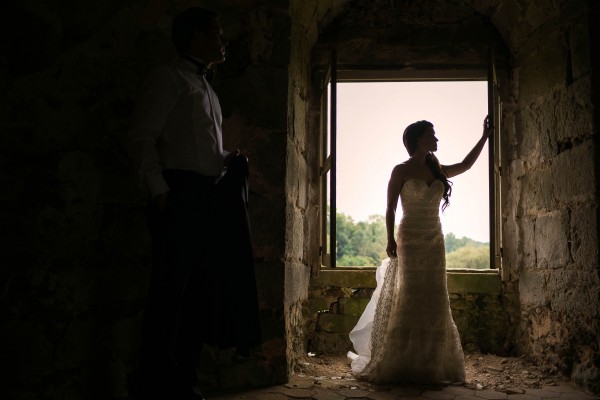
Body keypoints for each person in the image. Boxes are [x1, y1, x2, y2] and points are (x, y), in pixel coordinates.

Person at [128, 7, 261, 399]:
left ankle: (183, 382)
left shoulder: (208, 89)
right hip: (179, 194)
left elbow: (201, 150)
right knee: (170, 293)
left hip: (207, 195)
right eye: (217, 33)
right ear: (197, 37)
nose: (224, 41)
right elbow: (141, 137)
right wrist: (159, 191)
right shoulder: (168, 79)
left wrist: (226, 159)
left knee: (199, 294)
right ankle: (156, 386)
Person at [347, 116, 493, 384]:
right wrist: (390, 240)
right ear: (419, 140)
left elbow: (465, 165)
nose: (437, 139)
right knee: (411, 295)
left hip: (434, 239)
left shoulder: (436, 169)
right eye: (432, 135)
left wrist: (484, 136)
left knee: (434, 295)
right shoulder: (400, 170)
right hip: (410, 238)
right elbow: (390, 208)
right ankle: (404, 360)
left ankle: (432, 362)